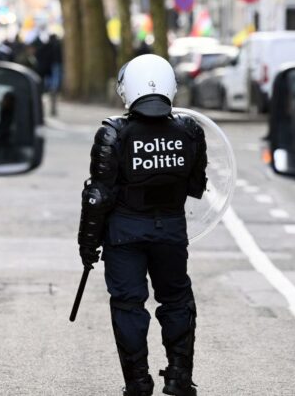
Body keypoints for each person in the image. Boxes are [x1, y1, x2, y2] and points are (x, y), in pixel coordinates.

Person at [76, 54, 207, 396]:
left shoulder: (113, 133)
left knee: (128, 305)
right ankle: (179, 377)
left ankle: (137, 381)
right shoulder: (191, 132)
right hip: (172, 233)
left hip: (124, 235)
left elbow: (98, 196)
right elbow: (196, 187)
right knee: (177, 300)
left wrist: (87, 244)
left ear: (126, 89)